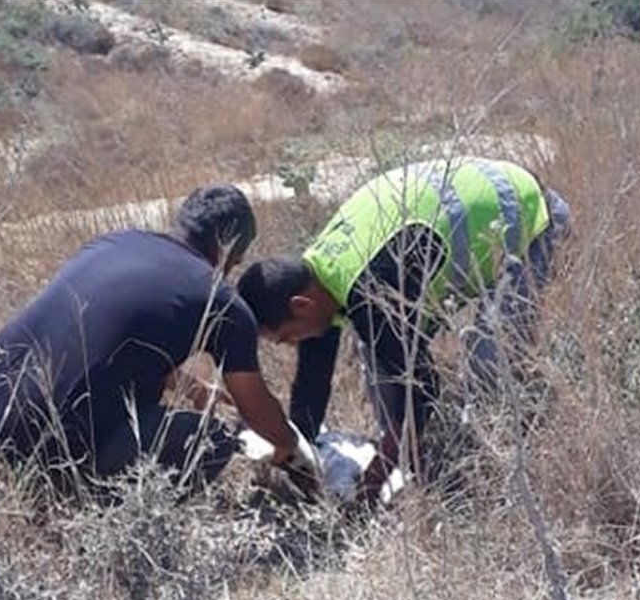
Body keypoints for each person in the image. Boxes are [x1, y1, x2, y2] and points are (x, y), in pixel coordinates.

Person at [237, 157, 571, 504]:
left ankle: (494, 475)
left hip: (532, 216)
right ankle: (418, 457)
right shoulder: (318, 277)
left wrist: (378, 473)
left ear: (300, 305)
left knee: (486, 355)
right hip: (459, 223)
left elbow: (421, 383)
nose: (292, 345)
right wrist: (297, 456)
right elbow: (313, 379)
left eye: (287, 337)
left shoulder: (368, 289)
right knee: (380, 353)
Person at [0, 184, 307, 499]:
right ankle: (97, 504)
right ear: (232, 251)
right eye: (234, 262)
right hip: (52, 441)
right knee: (212, 441)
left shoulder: (115, 243)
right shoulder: (220, 301)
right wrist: (292, 445)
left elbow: (111, 339)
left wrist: (193, 388)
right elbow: (255, 408)